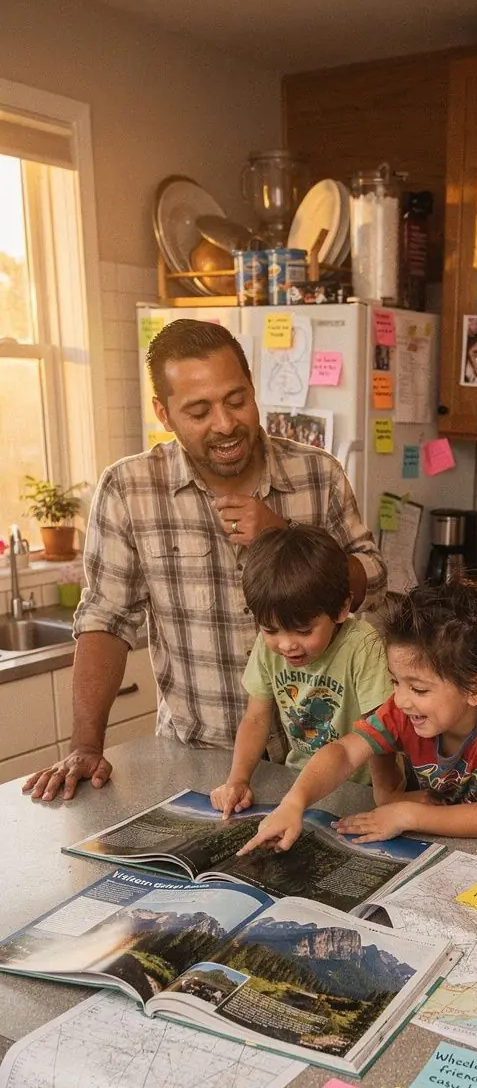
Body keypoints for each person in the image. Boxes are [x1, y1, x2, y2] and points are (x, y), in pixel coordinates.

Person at [23, 320, 386, 802]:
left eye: (237, 400)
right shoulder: (130, 489)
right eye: (198, 411)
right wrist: (86, 746)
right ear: (164, 413)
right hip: (200, 763)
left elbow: (374, 581)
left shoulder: (318, 472)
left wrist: (284, 536)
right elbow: (106, 620)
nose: (225, 424)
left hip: (324, 764)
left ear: (253, 388)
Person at [236, 580, 477, 854]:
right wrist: (294, 803)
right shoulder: (405, 709)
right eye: (395, 681)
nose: (401, 700)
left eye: (418, 689)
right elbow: (345, 752)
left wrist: (406, 815)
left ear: (475, 690)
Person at [209, 524, 393, 817]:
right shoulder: (266, 648)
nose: (286, 645)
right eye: (270, 630)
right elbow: (255, 718)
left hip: (361, 791)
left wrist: (387, 801)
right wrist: (238, 780)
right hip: (299, 784)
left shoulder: (362, 645)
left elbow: (382, 731)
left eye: (304, 631)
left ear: (342, 608)